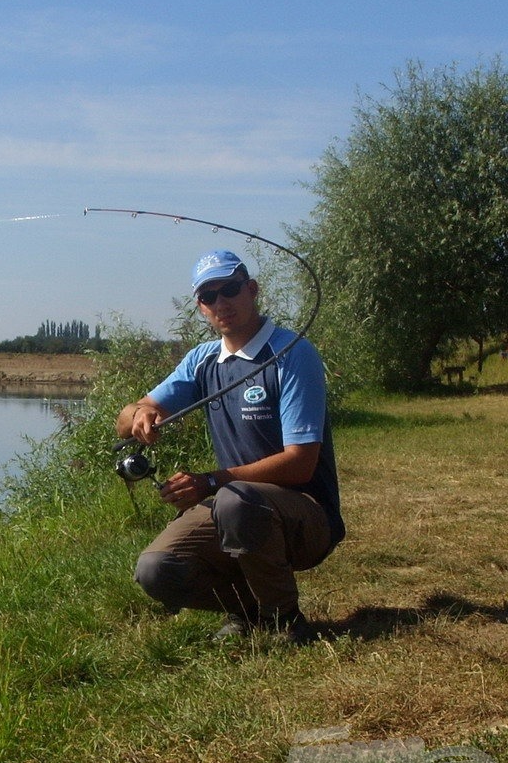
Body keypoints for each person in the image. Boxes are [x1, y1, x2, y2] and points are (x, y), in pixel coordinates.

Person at [115, 249, 345, 644]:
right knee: (156, 569)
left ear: (252, 290)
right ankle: (249, 611)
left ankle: (286, 620)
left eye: (231, 289)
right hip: (236, 504)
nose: (222, 303)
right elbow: (124, 420)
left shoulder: (292, 354)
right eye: (208, 297)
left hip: (307, 515)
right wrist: (140, 413)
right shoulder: (202, 361)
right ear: (200, 308)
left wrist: (210, 481)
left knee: (235, 499)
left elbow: (301, 464)